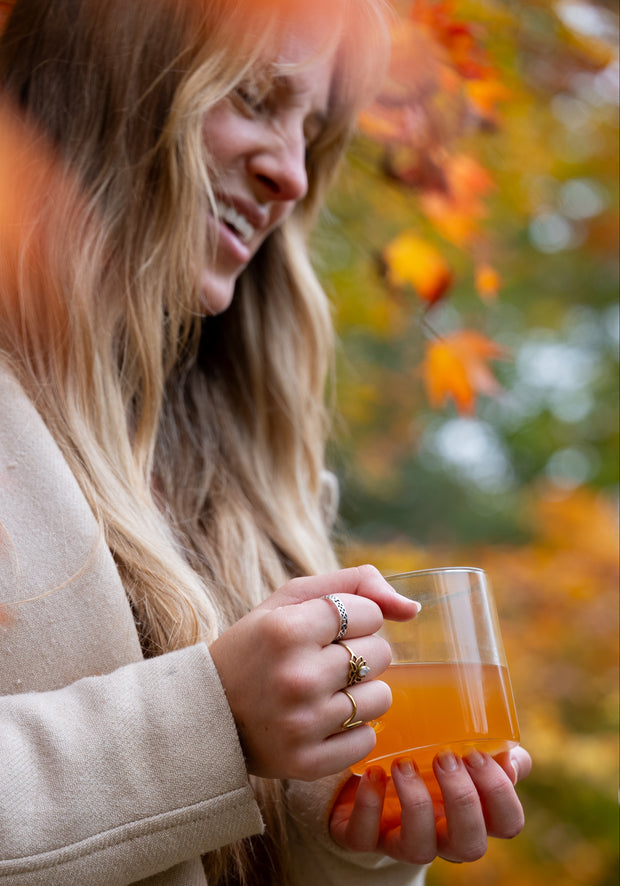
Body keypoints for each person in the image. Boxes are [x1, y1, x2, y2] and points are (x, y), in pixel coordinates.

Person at [0, 0, 531, 884]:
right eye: (254, 97)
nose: (291, 174)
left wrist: (350, 840)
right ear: (108, 77)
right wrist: (209, 722)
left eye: (311, 133)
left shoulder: (261, 478)